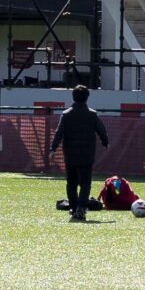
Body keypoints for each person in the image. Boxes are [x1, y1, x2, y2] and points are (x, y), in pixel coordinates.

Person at [51, 83, 109, 223]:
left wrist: (52, 149)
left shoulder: (66, 115)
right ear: (87, 97)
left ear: (73, 97)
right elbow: (101, 130)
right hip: (86, 154)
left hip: (70, 153)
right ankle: (81, 208)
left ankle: (73, 207)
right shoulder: (92, 114)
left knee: (71, 183)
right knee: (85, 183)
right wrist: (105, 142)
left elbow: (59, 133)